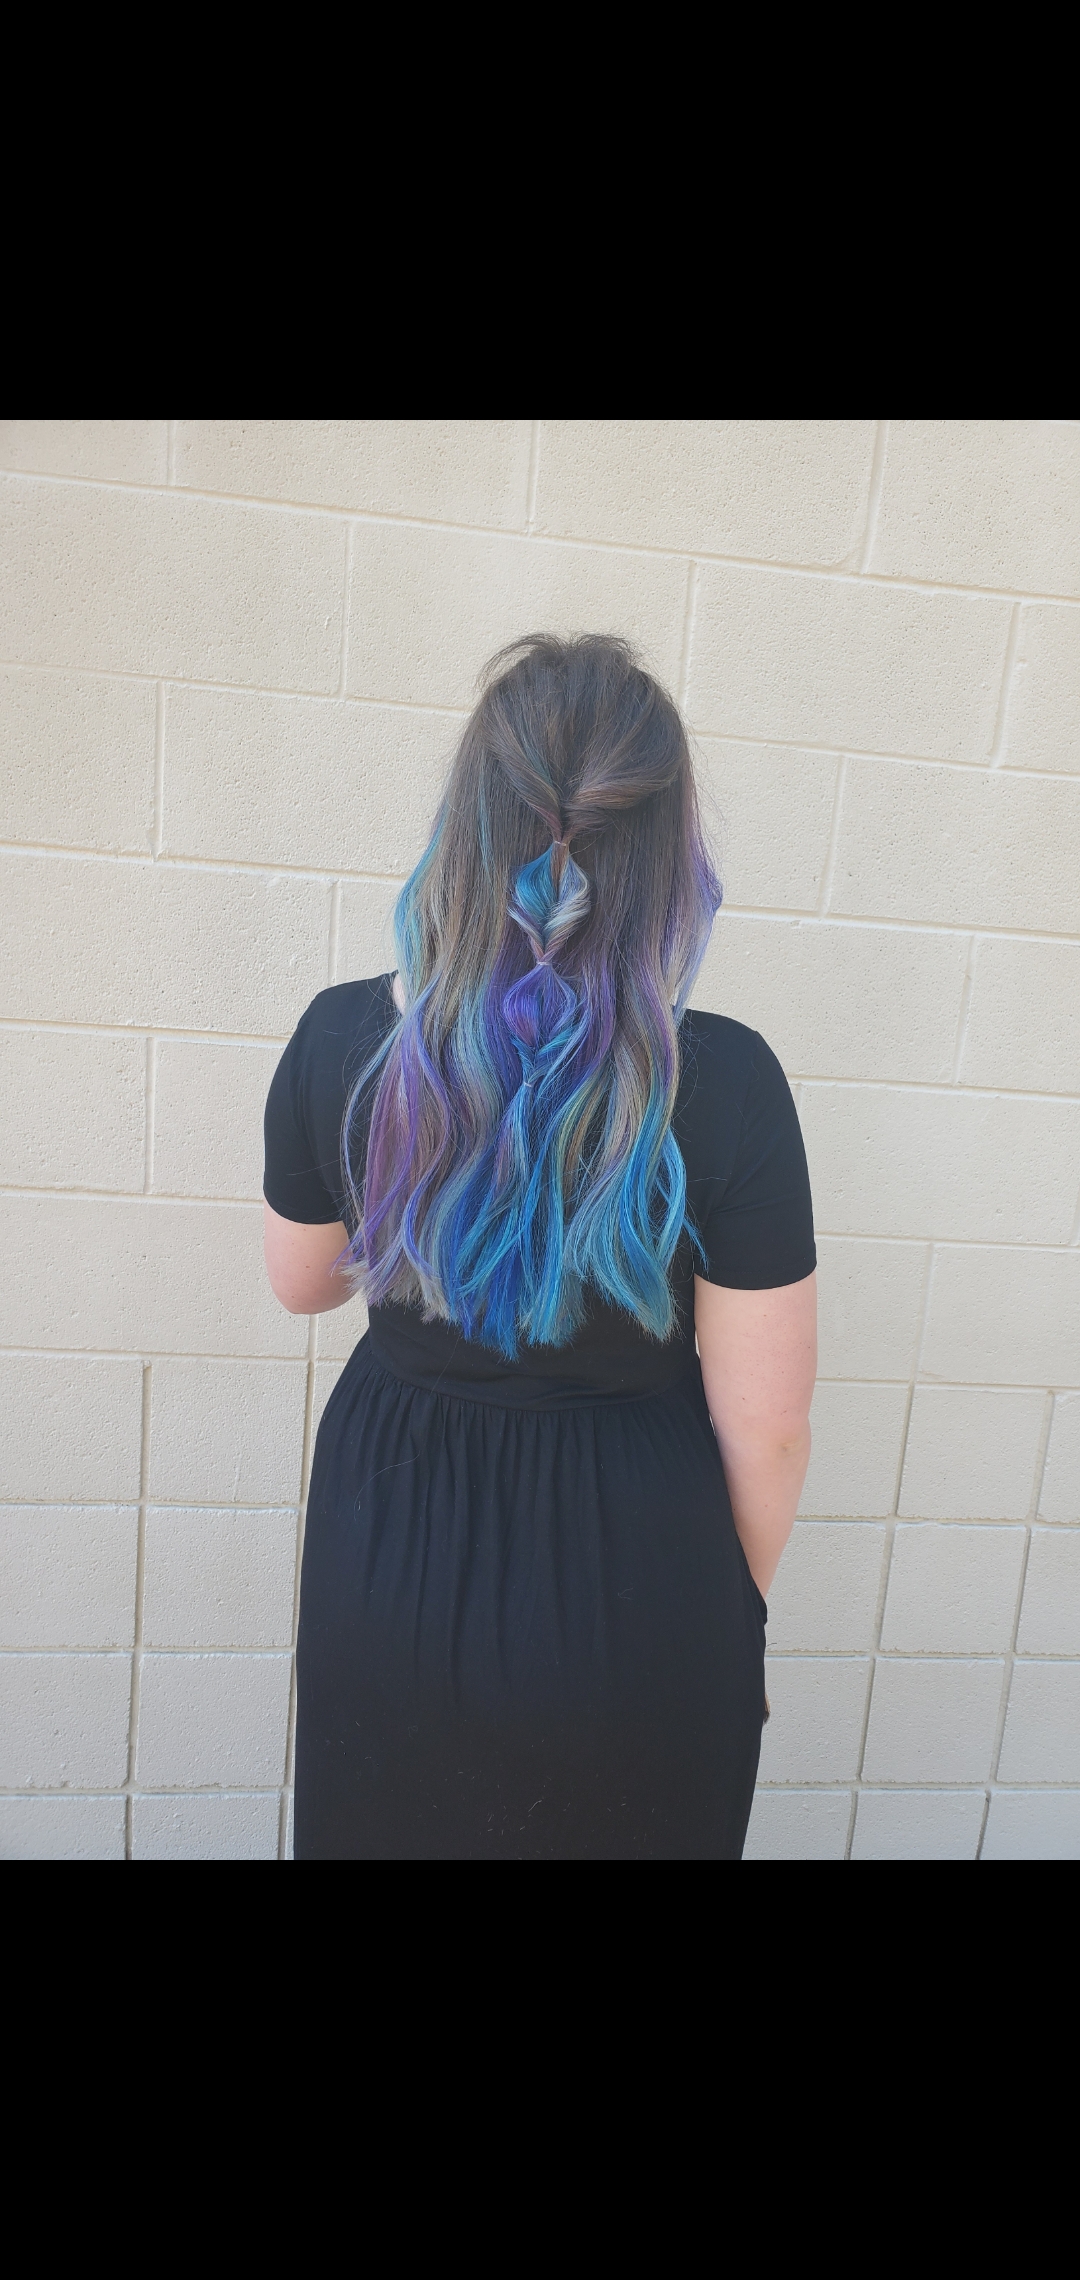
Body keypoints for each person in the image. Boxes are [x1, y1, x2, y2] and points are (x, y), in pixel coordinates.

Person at [263, 633, 817, 1859]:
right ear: (665, 849)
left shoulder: (342, 1040)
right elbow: (769, 1426)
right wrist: (728, 1612)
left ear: (466, 823)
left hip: (395, 1530)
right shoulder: (729, 1081)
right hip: (638, 1560)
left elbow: (302, 1284)